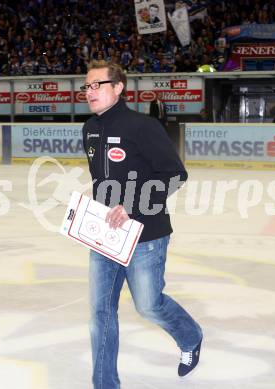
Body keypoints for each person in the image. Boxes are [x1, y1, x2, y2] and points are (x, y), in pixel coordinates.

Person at [82, 60, 203, 389]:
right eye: (87, 86)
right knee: (100, 314)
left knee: (149, 305)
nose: (90, 92)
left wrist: (132, 206)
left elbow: (176, 174)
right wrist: (91, 215)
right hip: (106, 235)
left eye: (97, 85)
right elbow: (103, 182)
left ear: (118, 87)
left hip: (146, 234)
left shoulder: (143, 127)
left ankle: (190, 336)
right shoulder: (90, 129)